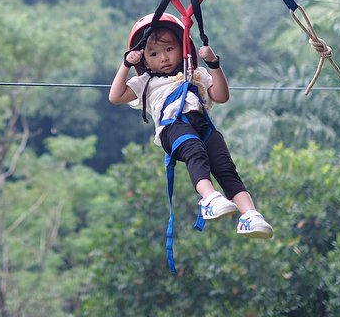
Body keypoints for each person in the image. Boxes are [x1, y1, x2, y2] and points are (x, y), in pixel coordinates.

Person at [108, 13, 273, 238]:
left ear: (182, 46)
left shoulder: (196, 74)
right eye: (154, 54)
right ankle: (209, 198)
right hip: (173, 128)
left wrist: (214, 65)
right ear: (144, 60)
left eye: (169, 49)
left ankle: (250, 216)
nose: (163, 58)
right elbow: (115, 96)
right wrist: (126, 63)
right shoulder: (146, 82)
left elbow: (221, 95)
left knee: (226, 169)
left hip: (203, 126)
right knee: (195, 150)